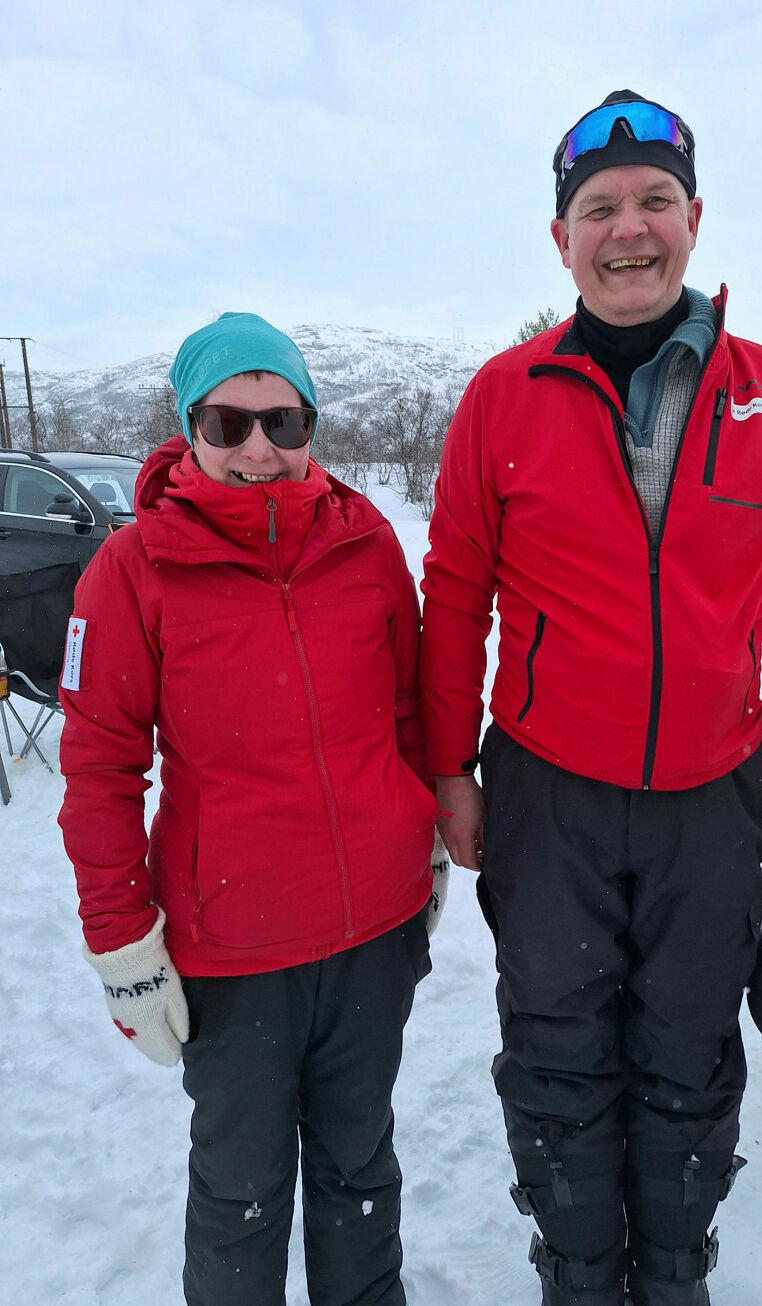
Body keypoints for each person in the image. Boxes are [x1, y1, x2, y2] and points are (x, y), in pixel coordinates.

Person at [419, 91, 762, 1306]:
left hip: (706, 801)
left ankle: (674, 1272)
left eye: (650, 203)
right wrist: (448, 767)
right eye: (597, 209)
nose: (625, 231)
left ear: (693, 219)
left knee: (689, 1053)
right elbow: (454, 590)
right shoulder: (501, 397)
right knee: (557, 1052)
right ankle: (578, 1275)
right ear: (559, 238)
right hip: (546, 795)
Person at [59, 312, 438, 1306]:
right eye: (228, 424)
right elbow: (99, 770)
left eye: (285, 420)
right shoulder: (131, 572)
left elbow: (407, 712)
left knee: (361, 1169)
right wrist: (123, 947)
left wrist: (419, 847)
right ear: (188, 428)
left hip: (373, 938)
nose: (260, 448)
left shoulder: (366, 545)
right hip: (234, 954)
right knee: (241, 1194)